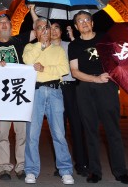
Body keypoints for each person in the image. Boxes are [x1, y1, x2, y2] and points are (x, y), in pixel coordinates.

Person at [68, 11, 128, 184]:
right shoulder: (74, 45)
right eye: (79, 21)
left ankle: (121, 172)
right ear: (76, 27)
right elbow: (74, 71)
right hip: (85, 89)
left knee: (113, 131)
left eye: (87, 20)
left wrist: (114, 74)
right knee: (90, 132)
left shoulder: (105, 38)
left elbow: (118, 60)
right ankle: (94, 171)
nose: (83, 23)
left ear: (92, 23)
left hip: (106, 86)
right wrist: (94, 78)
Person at [23, 17, 74, 185]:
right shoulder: (30, 47)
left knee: (59, 133)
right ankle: (31, 170)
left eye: (46, 27)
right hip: (35, 91)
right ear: (35, 31)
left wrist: (44, 69)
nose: (44, 30)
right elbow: (28, 61)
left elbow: (64, 69)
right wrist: (41, 45)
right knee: (32, 134)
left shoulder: (58, 49)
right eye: (40, 28)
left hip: (54, 92)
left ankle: (65, 170)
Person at [0, 13, 29, 180]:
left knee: (21, 132)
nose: (3, 25)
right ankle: (4, 167)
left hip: (19, 92)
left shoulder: (19, 41)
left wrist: (32, 11)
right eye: (0, 23)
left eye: (6, 23)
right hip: (1, 95)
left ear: (11, 25)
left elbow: (38, 29)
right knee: (2, 132)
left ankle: (21, 166)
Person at [51, 22, 88, 177]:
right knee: (59, 130)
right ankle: (62, 165)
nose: (53, 31)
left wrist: (74, 38)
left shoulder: (69, 45)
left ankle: (82, 164)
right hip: (54, 88)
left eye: (56, 28)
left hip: (71, 88)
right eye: (50, 28)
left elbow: (83, 55)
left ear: (62, 31)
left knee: (76, 126)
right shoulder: (44, 48)